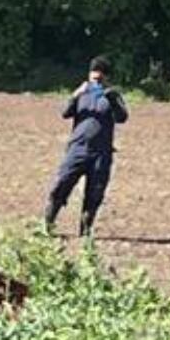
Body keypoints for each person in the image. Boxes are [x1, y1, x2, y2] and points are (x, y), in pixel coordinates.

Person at [44, 56, 129, 238]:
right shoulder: (82, 93)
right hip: (77, 149)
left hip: (101, 153)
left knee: (94, 194)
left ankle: (85, 232)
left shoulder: (112, 95)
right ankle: (47, 226)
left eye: (100, 78)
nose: (96, 81)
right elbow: (65, 113)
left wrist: (112, 99)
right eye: (93, 77)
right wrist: (75, 95)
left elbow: (122, 117)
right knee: (61, 185)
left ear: (106, 77)